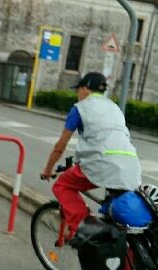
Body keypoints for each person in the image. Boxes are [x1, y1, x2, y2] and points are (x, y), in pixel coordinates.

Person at [40, 72, 142, 234]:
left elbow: (60, 147)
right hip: (131, 166)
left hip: (101, 164)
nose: (77, 94)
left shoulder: (80, 109)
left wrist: (47, 170)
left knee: (62, 185)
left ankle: (88, 232)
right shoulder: (114, 107)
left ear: (86, 89)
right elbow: (104, 139)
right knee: (114, 214)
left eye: (78, 90)